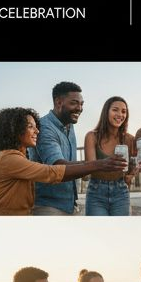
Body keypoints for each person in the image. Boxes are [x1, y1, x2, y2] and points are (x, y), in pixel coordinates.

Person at [0, 107, 123, 215]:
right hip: (1, 225)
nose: (37, 131)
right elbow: (51, 172)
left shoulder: (19, 156)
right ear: (14, 130)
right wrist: (99, 164)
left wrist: (94, 164)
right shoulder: (9, 159)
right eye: (30, 126)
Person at [30, 82, 85, 215]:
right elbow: (58, 167)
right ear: (58, 102)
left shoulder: (69, 124)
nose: (80, 108)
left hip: (69, 204)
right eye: (74, 103)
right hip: (48, 206)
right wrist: (97, 165)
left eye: (82, 104)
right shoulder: (44, 127)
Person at [82, 96, 135, 216]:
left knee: (120, 233)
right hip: (96, 192)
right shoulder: (91, 136)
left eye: (123, 111)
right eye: (115, 110)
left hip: (121, 191)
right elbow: (91, 167)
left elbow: (135, 163)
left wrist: (131, 174)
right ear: (106, 112)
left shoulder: (129, 139)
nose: (120, 114)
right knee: (97, 232)